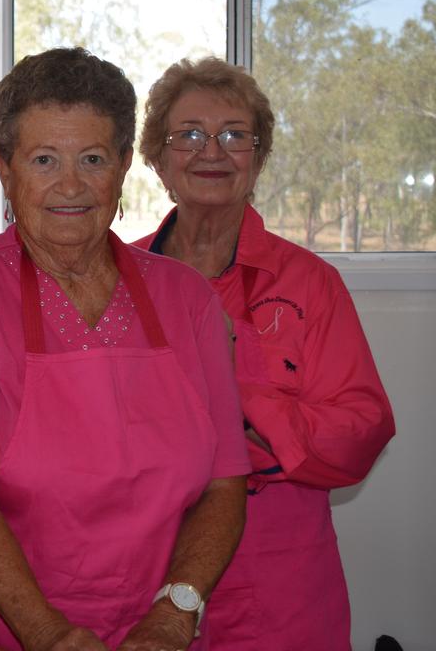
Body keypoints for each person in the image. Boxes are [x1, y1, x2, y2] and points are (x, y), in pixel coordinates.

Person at [0, 47, 250, 651]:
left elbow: (225, 486)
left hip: (153, 631)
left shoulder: (185, 297)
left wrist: (175, 610)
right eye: (43, 160)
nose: (70, 184)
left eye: (92, 159)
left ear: (121, 168)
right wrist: (48, 633)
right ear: (3, 169)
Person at [134, 56, 395, 650]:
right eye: (190, 135)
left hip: (277, 580)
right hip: (141, 571)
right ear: (157, 159)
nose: (213, 151)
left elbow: (360, 431)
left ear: (258, 159)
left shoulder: (309, 283)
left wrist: (236, 392)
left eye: (234, 135)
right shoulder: (117, 278)